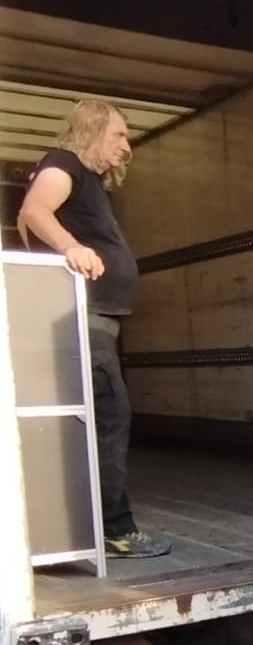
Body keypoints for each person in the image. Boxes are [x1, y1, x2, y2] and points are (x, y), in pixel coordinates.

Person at [17, 99, 171, 560]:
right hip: (83, 318)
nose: (127, 145)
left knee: (102, 417)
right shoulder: (64, 164)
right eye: (119, 135)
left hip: (100, 319)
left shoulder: (93, 184)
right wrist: (72, 248)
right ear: (93, 130)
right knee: (109, 416)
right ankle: (114, 528)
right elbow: (34, 210)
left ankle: (95, 523)